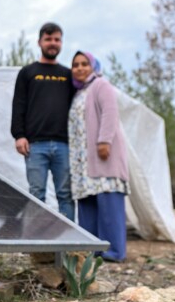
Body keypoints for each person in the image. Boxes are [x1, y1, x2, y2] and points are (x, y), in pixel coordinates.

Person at [10, 22, 75, 221]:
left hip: (64, 145)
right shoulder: (28, 72)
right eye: (48, 39)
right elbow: (18, 104)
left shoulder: (68, 75)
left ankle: (69, 238)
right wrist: (19, 135)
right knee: (36, 194)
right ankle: (35, 239)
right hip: (35, 145)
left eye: (57, 39)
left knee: (66, 195)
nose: (52, 43)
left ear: (61, 43)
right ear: (40, 42)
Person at [67, 51, 129, 262]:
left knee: (108, 202)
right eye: (76, 65)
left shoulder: (100, 85)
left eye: (84, 64)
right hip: (83, 161)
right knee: (87, 203)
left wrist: (104, 141)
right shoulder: (79, 92)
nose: (80, 68)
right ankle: (91, 250)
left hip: (102, 155)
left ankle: (113, 251)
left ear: (93, 67)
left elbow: (110, 112)